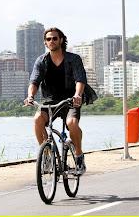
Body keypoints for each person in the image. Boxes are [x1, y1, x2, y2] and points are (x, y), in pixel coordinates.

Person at [24, 27, 96, 175]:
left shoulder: (73, 59)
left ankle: (79, 155)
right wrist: (30, 96)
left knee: (72, 123)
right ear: (45, 42)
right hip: (50, 100)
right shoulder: (41, 61)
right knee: (38, 119)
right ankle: (47, 156)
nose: (52, 41)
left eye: (55, 38)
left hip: (71, 98)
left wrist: (77, 95)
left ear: (61, 40)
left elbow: (80, 79)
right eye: (48, 39)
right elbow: (34, 81)